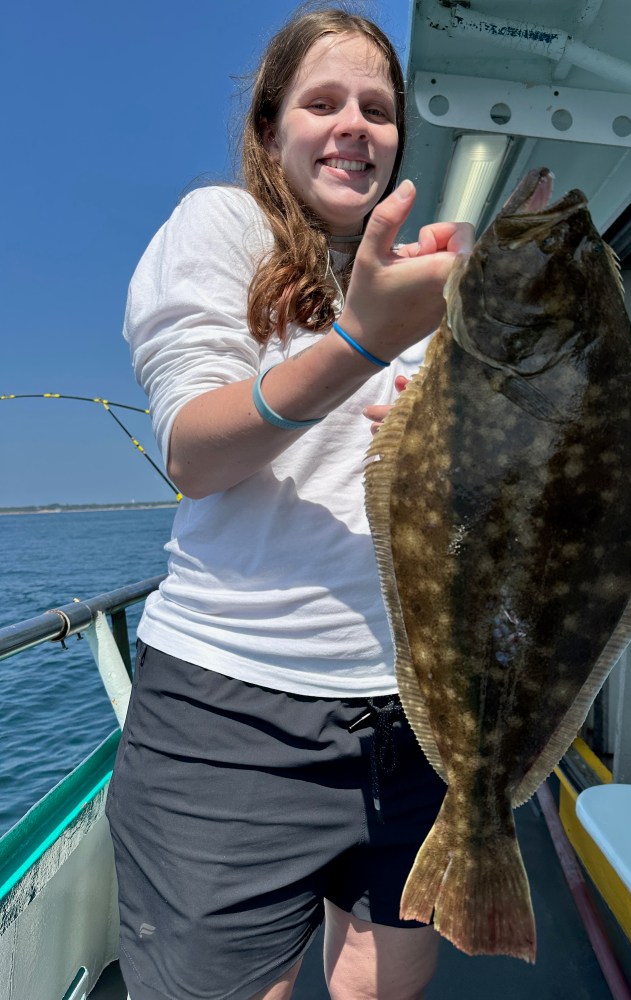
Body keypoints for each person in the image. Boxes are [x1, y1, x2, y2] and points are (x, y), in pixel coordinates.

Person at [105, 6, 474, 999]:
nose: (355, 123)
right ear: (270, 129)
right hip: (233, 714)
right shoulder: (222, 227)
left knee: (381, 979)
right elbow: (193, 449)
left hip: (414, 711)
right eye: (323, 102)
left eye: (378, 108)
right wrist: (359, 340)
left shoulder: (417, 292)